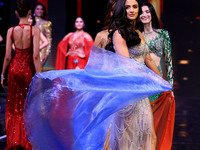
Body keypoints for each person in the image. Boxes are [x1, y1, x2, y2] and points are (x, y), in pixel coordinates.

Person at [1, 0, 41, 149]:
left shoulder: (11, 31)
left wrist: (2, 75)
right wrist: (40, 77)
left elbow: (6, 56)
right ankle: (26, 141)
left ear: (16, 13)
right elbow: (36, 56)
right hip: (27, 71)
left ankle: (14, 141)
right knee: (27, 106)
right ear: (29, 12)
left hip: (14, 69)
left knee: (13, 107)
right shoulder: (34, 31)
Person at [139, 1, 175, 150]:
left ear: (152, 14)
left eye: (147, 11)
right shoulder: (137, 35)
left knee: (156, 125)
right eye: (141, 12)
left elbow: (169, 61)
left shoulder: (163, 34)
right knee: (143, 127)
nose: (144, 15)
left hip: (158, 86)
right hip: (142, 86)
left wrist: (170, 86)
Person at [32, 2, 52, 66]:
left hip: (41, 49)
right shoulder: (29, 21)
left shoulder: (46, 23)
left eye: (41, 9)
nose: (39, 11)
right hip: (30, 47)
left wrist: (46, 53)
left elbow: (49, 39)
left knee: (38, 70)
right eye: (37, 9)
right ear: (34, 10)